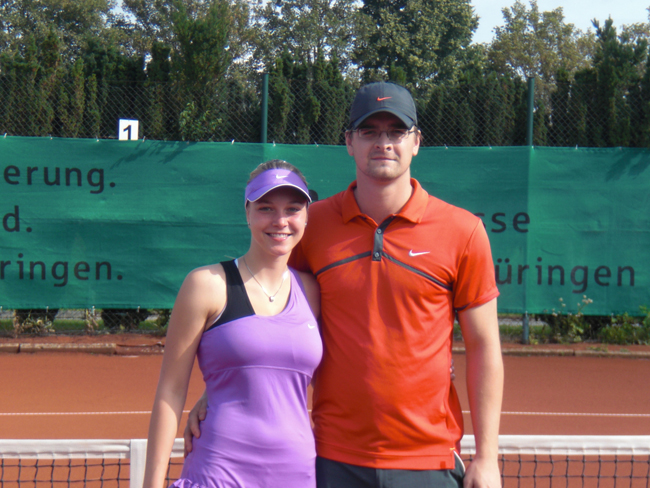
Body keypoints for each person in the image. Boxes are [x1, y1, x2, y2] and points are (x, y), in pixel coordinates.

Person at [185, 82, 504, 488]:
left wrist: (487, 456)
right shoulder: (312, 225)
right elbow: (266, 313)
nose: (383, 143)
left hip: (430, 460)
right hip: (331, 458)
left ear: (416, 142)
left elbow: (484, 346)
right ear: (349, 142)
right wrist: (220, 388)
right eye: (369, 131)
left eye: (396, 132)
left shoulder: (463, 231)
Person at [143, 160, 322, 488]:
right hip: (217, 474)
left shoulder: (313, 291)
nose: (280, 221)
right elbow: (171, 390)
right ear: (247, 213)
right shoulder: (206, 284)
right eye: (266, 208)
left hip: (298, 475)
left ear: (307, 216)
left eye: (292, 209)